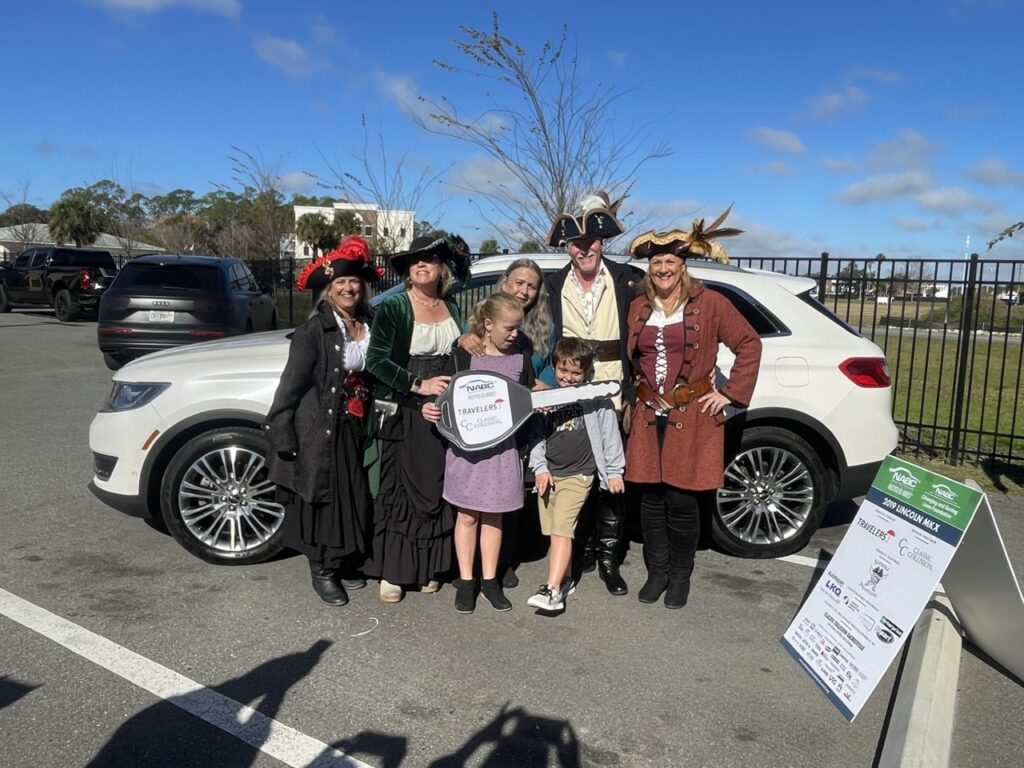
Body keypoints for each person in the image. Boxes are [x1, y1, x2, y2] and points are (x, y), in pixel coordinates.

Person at [625, 217, 761, 609]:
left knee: (682, 501)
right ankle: (657, 572)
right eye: (656, 263)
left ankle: (681, 576)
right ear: (648, 269)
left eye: (670, 261)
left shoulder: (711, 303)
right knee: (650, 499)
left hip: (694, 414)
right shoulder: (638, 307)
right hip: (649, 413)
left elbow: (748, 343)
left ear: (683, 266)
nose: (663, 269)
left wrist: (731, 394)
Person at [264, 236, 380, 606]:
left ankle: (342, 558)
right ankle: (322, 569)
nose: (348, 288)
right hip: (320, 426)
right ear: (328, 290)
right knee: (322, 498)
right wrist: (282, 433)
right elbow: (290, 387)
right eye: (340, 283)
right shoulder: (314, 331)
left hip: (357, 423)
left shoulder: (369, 322)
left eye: (354, 282)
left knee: (351, 495)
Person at [364, 234, 471, 603]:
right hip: (406, 408)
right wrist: (417, 386)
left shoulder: (452, 306)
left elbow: (459, 355)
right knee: (404, 490)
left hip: (444, 412)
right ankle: (393, 573)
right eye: (414, 262)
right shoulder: (395, 306)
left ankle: (428, 568)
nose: (420, 266)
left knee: (437, 488)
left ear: (441, 267)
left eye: (427, 260)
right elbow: (376, 361)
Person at [544, 191, 642, 596]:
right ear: (568, 246)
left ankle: (608, 558)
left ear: (601, 242)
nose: (583, 248)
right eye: (576, 243)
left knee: (612, 473)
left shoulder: (626, 280)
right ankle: (579, 551)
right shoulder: (552, 284)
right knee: (576, 469)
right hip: (570, 387)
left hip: (615, 386)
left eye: (590, 241)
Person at [423, 292, 535, 613]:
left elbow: (526, 398)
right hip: (467, 453)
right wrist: (428, 408)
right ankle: (466, 581)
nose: (515, 335)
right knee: (468, 516)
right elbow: (439, 395)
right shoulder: (463, 356)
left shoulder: (521, 358)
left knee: (494, 516)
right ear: (487, 324)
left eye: (518, 328)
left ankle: (490, 581)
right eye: (509, 328)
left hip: (503, 453)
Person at [457, 257, 556, 589]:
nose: (525, 290)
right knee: (470, 508)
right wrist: (461, 340)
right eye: (519, 282)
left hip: (517, 424)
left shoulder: (540, 328)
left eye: (532, 285)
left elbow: (547, 369)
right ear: (504, 283)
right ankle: (468, 572)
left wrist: (547, 386)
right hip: (476, 431)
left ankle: (500, 564)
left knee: (505, 500)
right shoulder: (481, 326)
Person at [526, 338, 625, 612]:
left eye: (575, 373)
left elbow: (609, 436)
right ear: (555, 368)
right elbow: (536, 438)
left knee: (561, 530)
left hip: (579, 475)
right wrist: (541, 469)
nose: (568, 378)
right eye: (563, 371)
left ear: (587, 374)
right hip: (551, 475)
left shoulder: (596, 400)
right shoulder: (546, 400)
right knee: (556, 532)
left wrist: (615, 471)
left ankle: (552, 589)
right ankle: (567, 578)